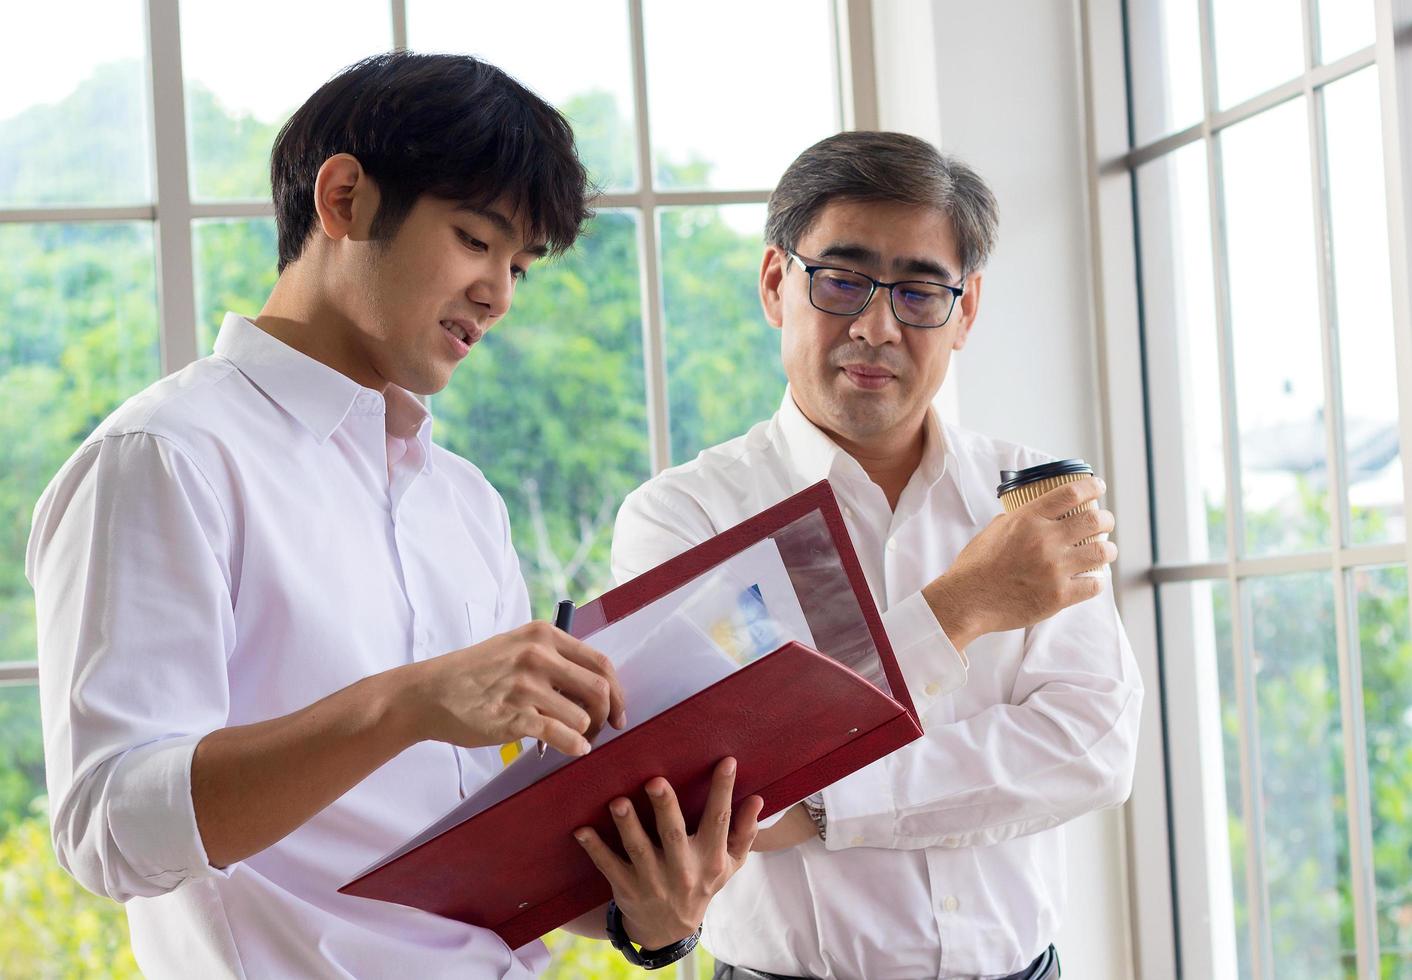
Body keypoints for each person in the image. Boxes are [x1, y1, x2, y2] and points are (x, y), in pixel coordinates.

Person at [27, 52, 759, 979]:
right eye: (474, 238)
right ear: (343, 200)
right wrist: (407, 703)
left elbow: (476, 856)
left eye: (519, 267)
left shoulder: (463, 502)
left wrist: (642, 913)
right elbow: (109, 832)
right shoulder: (166, 458)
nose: (497, 293)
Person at [612, 131, 1144, 980]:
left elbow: (1092, 750)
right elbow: (703, 787)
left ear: (965, 312)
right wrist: (960, 606)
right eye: (843, 280)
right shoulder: (683, 518)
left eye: (920, 291)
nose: (875, 326)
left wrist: (821, 803)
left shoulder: (1033, 495)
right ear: (776, 283)